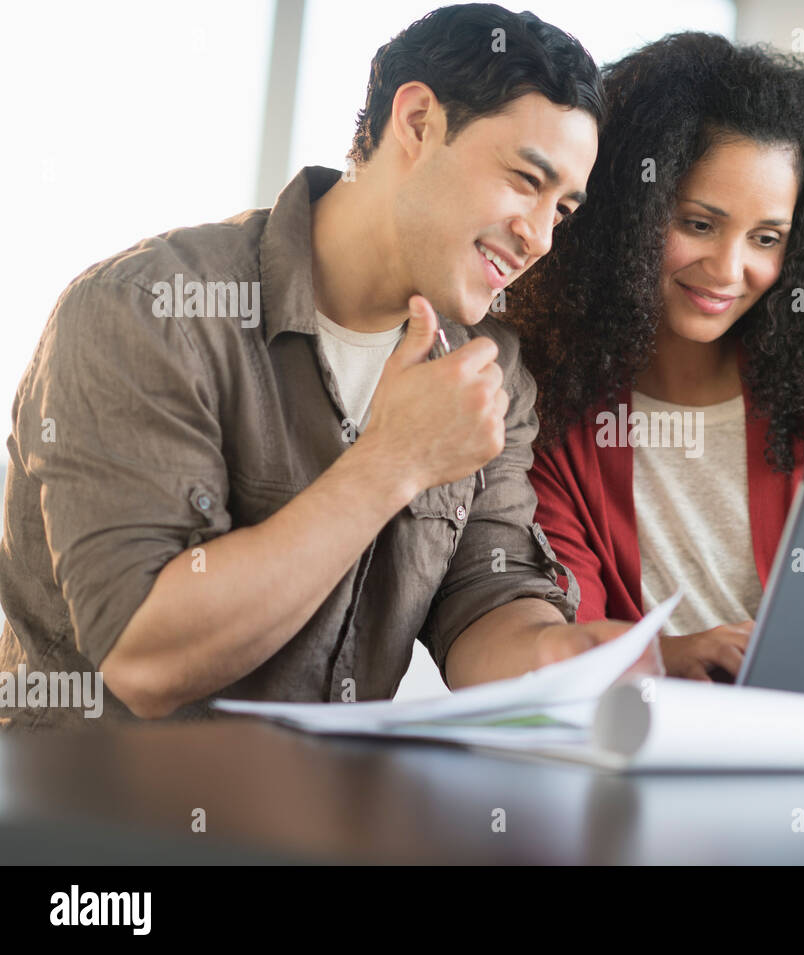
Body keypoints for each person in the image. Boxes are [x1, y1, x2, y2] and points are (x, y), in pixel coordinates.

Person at [0, 4, 637, 729]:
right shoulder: (147, 311)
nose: (541, 238)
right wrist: (390, 463)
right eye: (527, 180)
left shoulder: (488, 366)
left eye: (563, 209)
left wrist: (568, 654)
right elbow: (146, 661)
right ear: (419, 120)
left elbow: (485, 603)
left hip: (317, 821)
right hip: (91, 819)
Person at [511, 33, 804, 682]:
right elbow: (561, 645)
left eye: (767, 238)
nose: (729, 270)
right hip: (628, 754)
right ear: (630, 212)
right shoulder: (550, 402)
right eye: (699, 224)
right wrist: (671, 657)